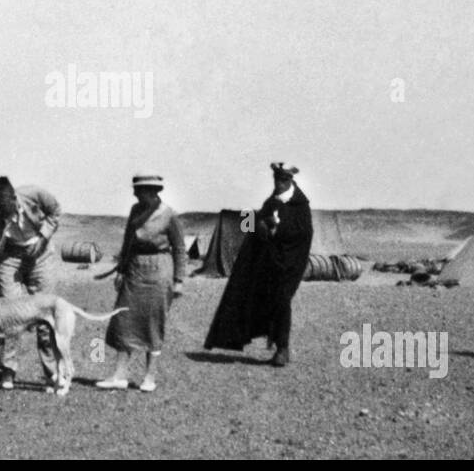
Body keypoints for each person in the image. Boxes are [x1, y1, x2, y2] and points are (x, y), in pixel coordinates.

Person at [203, 163, 314, 366]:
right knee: (263, 300)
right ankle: (266, 341)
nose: (279, 184)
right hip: (269, 265)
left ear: (290, 180)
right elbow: (250, 225)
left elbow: (304, 235)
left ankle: (283, 348)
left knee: (282, 301)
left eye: (283, 180)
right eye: (276, 180)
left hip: (290, 266)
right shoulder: (271, 202)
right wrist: (261, 224)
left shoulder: (300, 206)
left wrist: (278, 229)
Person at [0, 176, 62, 389]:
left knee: (46, 315)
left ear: (13, 197)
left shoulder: (34, 194)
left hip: (42, 255)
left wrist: (44, 236)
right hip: (11, 257)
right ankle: (7, 371)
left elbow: (55, 211)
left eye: (3, 207)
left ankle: (52, 374)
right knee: (10, 316)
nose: (0, 212)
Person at [97, 173, 188, 392]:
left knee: (153, 323)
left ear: (153, 191)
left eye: (140, 191)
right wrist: (121, 269)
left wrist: (179, 280)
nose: (136, 194)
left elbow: (180, 249)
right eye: (135, 191)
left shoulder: (169, 215)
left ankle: (150, 377)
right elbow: (128, 242)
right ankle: (120, 375)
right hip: (135, 270)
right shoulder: (135, 211)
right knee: (123, 320)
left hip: (160, 270)